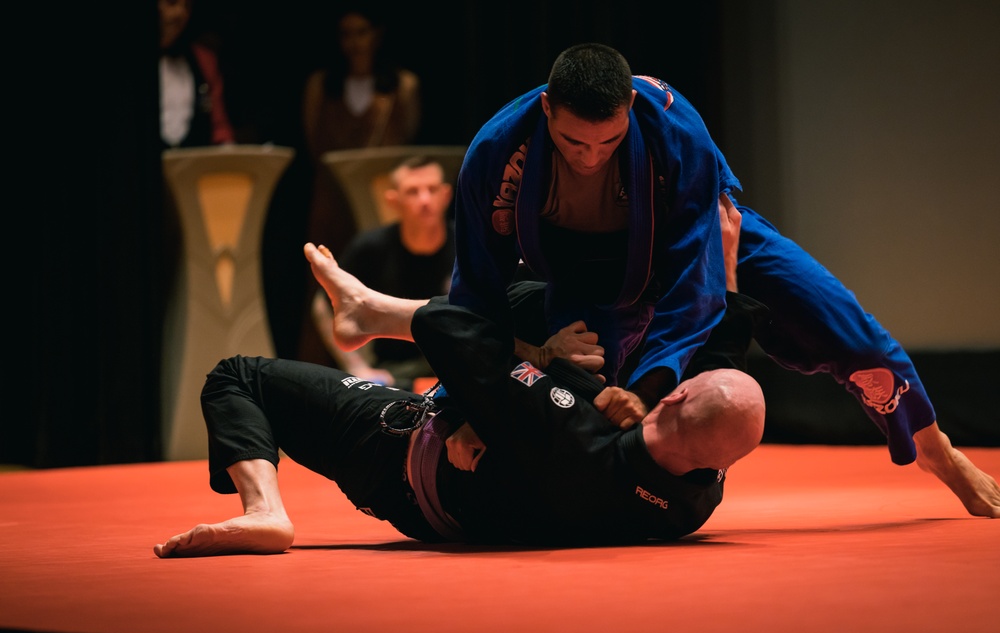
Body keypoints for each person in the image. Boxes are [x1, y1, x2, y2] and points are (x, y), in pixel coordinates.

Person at [447, 43, 1000, 519]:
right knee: (594, 388)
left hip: (699, 234)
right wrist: (473, 402)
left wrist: (648, 389)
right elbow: (476, 288)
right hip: (585, 271)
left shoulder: (675, 127)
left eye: (609, 142)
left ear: (631, 109)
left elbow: (697, 283)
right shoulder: (496, 153)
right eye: (574, 143)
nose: (591, 158)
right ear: (547, 109)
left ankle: (936, 450)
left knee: (844, 324)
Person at [152, 237, 767, 556]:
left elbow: (458, 335)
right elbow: (718, 393)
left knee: (237, 376)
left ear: (674, 398)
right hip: (480, 492)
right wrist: (729, 281)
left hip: (394, 457)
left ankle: (266, 508)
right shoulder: (694, 500)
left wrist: (543, 362)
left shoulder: (571, 429)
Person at [310, 156, 455, 389]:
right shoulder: (370, 248)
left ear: (446, 195)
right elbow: (322, 304)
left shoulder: (468, 246)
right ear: (393, 200)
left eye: (432, 189)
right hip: (394, 373)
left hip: (457, 366)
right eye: (413, 192)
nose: (425, 200)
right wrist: (357, 367)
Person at [301, 6, 421, 260]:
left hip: (381, 195)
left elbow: (407, 141)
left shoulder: (402, 86)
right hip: (331, 199)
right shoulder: (321, 86)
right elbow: (314, 143)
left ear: (377, 35)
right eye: (347, 34)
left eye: (361, 32)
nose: (355, 42)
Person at [158, 0, 235, 150]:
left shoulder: (203, 60)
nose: (180, 13)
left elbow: (219, 126)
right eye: (171, 3)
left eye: (187, 6)